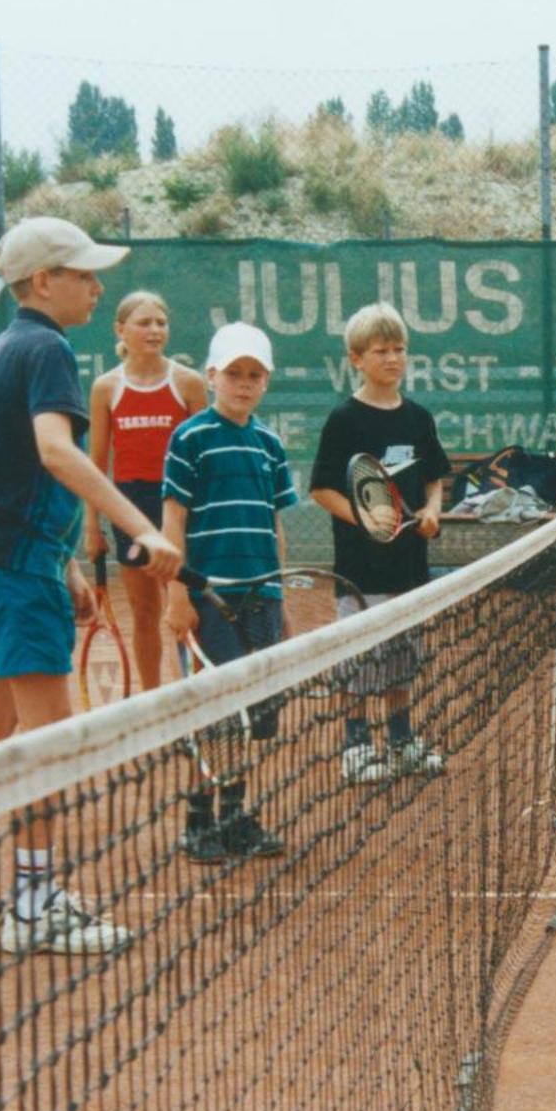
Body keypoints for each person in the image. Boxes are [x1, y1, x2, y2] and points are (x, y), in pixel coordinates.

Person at [0, 216, 183, 955]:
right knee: (52, 739)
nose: (97, 286)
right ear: (42, 282)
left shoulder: (2, 350)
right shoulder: (51, 349)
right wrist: (142, 527)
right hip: (10, 567)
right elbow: (54, 452)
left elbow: (1, 472)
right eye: (84, 274)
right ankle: (32, 901)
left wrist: (63, 558)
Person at [163, 321, 297, 861]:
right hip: (207, 600)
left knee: (250, 717)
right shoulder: (191, 436)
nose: (244, 384)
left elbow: (274, 525)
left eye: (255, 375)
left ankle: (235, 815)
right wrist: (177, 596)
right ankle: (198, 820)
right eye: (234, 373)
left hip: (259, 600)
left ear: (266, 382)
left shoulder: (270, 443)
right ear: (212, 376)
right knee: (213, 713)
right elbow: (172, 520)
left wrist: (279, 599)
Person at [307, 302, 452, 784]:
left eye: (399, 349)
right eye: (380, 351)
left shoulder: (418, 418)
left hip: (409, 565)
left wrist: (431, 511)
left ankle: (401, 740)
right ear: (356, 358)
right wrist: (369, 522)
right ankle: (355, 744)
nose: (392, 359)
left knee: (403, 655)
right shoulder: (344, 419)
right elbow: (322, 489)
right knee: (359, 654)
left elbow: (434, 478)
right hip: (360, 567)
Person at [83, 292, 208, 689]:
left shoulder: (188, 383)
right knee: (144, 611)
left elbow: (205, 455)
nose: (154, 330)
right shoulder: (106, 388)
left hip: (183, 507)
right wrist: (92, 526)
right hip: (129, 508)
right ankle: (153, 703)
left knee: (188, 608)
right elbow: (96, 463)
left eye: (161, 322)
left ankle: (195, 701)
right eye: (144, 323)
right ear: (120, 329)